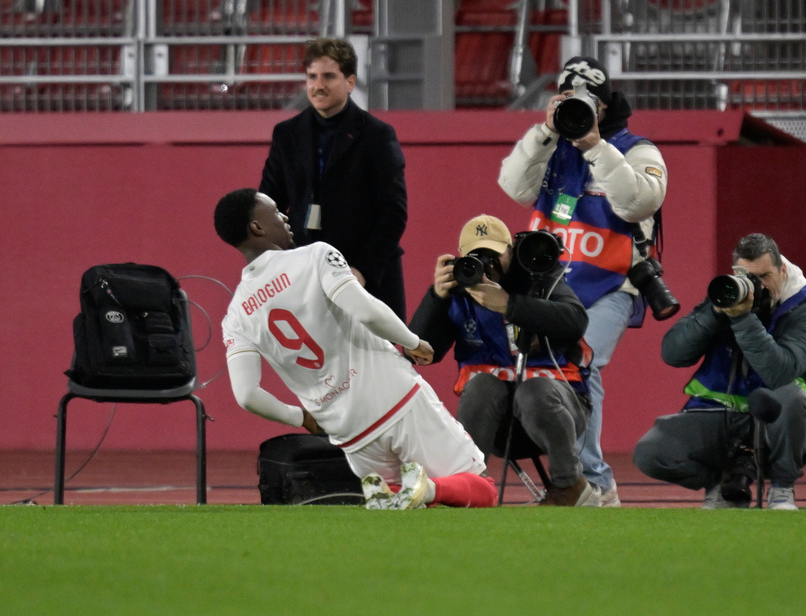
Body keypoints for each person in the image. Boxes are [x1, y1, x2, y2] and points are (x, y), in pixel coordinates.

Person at [215, 188, 497, 510]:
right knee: (482, 489)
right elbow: (365, 309)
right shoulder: (314, 256)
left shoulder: (236, 314)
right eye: (276, 211)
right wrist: (414, 341)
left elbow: (246, 394)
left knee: (406, 508)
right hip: (395, 399)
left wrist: (301, 418)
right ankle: (426, 488)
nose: (285, 217)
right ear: (257, 227)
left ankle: (388, 491)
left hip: (348, 432)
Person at [498, 56, 668, 507]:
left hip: (614, 284)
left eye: (585, 103)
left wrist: (594, 145)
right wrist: (544, 132)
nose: (576, 112)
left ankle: (593, 481)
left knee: (582, 360)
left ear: (605, 106)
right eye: (567, 100)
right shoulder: (552, 146)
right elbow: (514, 187)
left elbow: (638, 203)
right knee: (552, 370)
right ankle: (581, 480)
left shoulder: (637, 149)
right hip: (554, 285)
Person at [632, 233, 806, 510]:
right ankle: (719, 482)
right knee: (651, 453)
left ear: (783, 270)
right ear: (736, 273)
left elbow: (780, 372)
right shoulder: (726, 297)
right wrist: (714, 313)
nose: (758, 286)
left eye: (765, 276)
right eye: (749, 278)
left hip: (778, 420)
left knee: (792, 397)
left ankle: (782, 490)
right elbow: (673, 354)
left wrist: (741, 318)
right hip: (722, 414)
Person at [408, 215, 600, 506]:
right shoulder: (461, 290)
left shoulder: (538, 275)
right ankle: (465, 488)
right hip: (497, 420)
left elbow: (576, 321)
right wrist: (436, 297)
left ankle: (569, 486)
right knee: (481, 386)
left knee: (534, 390)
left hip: (558, 409)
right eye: (478, 257)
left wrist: (510, 305)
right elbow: (420, 351)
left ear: (511, 251)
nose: (488, 265)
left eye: (494, 255)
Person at [259, 37, 408, 320]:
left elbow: (393, 214)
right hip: (306, 280)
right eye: (312, 77)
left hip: (367, 282)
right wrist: (277, 266)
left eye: (329, 76)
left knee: (372, 365)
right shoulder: (286, 134)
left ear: (350, 82)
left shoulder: (377, 135)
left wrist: (360, 272)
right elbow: (269, 205)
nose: (318, 86)